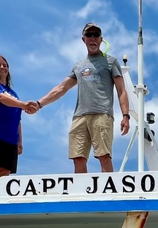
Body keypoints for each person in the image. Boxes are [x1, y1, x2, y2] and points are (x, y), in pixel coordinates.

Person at [34, 23, 131, 173]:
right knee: (78, 157)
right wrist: (39, 103)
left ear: (101, 39)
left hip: (102, 114)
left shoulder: (111, 61)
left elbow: (121, 90)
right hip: (79, 116)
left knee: (103, 155)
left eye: (96, 35)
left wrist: (126, 116)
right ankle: (81, 194)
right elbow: (62, 88)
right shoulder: (78, 66)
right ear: (83, 39)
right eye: (89, 35)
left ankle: (108, 194)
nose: (92, 38)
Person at [0, 55, 37, 179]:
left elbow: (17, 119)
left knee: (4, 175)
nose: (2, 67)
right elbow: (1, 98)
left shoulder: (13, 94)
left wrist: (19, 141)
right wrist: (23, 105)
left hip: (10, 140)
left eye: (5, 65)